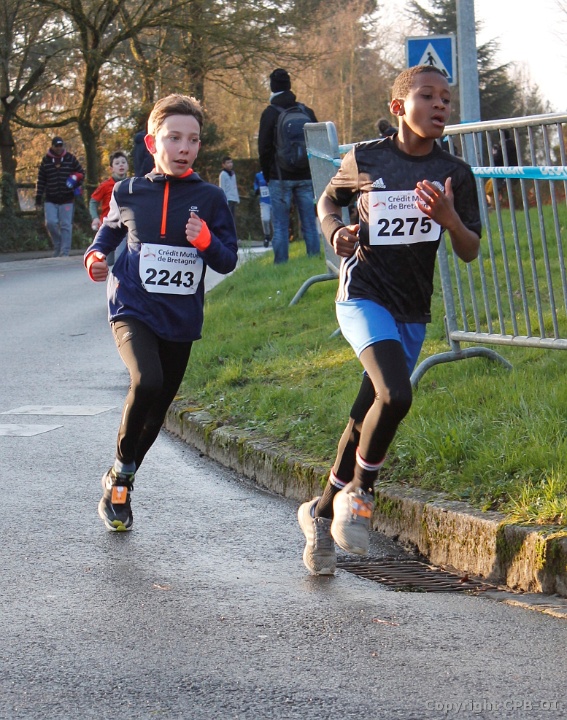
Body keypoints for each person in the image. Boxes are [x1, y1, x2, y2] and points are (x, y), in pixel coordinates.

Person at [297, 65, 481, 575]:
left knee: (368, 412)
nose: (441, 105)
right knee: (396, 395)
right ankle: (360, 495)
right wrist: (336, 232)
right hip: (363, 295)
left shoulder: (454, 172)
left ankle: (319, 513)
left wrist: (450, 219)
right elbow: (328, 199)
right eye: (428, 96)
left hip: (412, 309)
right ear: (400, 107)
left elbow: (469, 249)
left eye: (446, 98)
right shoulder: (367, 158)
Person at [84, 93, 238, 532]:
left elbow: (227, 260)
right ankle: (119, 485)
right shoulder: (128, 191)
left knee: (158, 408)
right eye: (174, 138)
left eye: (193, 139)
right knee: (146, 380)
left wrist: (205, 240)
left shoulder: (210, 198)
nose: (184, 147)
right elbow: (107, 235)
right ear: (153, 143)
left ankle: (122, 476)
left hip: (180, 317)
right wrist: (95, 258)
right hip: (131, 305)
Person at [257, 68, 320, 264]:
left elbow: (264, 148)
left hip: (280, 177)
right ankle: (314, 260)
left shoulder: (270, 113)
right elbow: (318, 143)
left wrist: (268, 175)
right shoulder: (306, 112)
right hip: (306, 176)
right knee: (309, 222)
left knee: (280, 225)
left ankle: (281, 263)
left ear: (272, 87)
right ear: (289, 86)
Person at [34, 136, 85, 257]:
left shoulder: (70, 158)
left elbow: (82, 173)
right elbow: (41, 180)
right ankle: (58, 244)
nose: (58, 148)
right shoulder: (46, 160)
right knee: (50, 223)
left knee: (66, 225)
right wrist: (38, 197)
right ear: (52, 146)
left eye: (60, 145)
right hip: (50, 198)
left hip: (67, 199)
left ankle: (64, 252)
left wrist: (75, 180)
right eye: (56, 146)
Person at [89, 150, 129, 232]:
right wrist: (95, 218)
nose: (121, 165)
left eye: (123, 162)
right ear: (111, 169)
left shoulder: (132, 184)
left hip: (127, 225)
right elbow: (93, 202)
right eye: (117, 163)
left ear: (127, 166)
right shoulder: (105, 185)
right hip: (108, 224)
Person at [218, 155, 240, 229]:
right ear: (223, 164)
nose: (230, 164)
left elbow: (234, 186)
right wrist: (224, 200)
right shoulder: (223, 174)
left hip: (233, 198)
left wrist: (237, 198)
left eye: (231, 162)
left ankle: (233, 232)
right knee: (228, 218)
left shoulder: (233, 174)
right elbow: (222, 187)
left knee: (233, 218)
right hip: (228, 199)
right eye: (228, 163)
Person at [253, 169, 272, 247]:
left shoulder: (274, 174)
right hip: (264, 201)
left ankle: (277, 237)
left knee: (275, 221)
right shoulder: (258, 175)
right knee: (265, 219)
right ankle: (267, 236)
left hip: (275, 201)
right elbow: (255, 184)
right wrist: (256, 189)